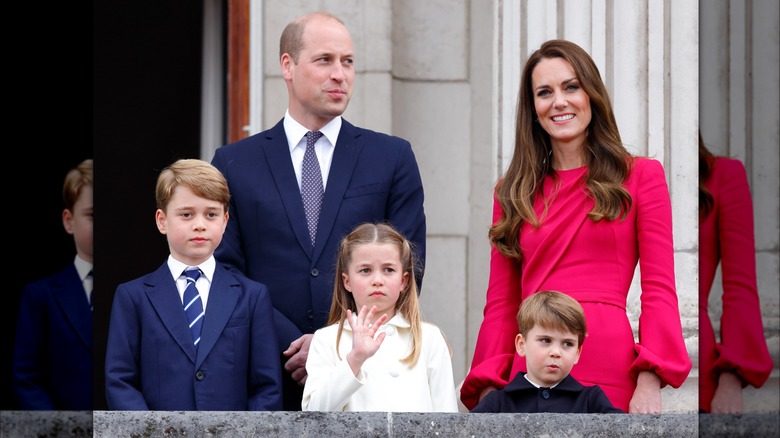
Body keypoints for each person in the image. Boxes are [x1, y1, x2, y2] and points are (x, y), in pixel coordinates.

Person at [460, 39, 691, 414]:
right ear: (533, 109)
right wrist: (489, 385)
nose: (559, 102)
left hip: (609, 365)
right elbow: (501, 303)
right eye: (544, 92)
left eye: (571, 87)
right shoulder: (512, 192)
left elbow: (659, 288)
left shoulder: (641, 176)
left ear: (592, 95)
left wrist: (650, 378)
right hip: (532, 368)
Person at [211, 11, 426, 410]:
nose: (340, 74)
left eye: (348, 61)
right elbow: (223, 271)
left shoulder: (391, 157)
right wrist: (288, 342)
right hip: (263, 374)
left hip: (366, 377)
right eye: (325, 60)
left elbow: (409, 265)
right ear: (287, 66)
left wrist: (332, 345)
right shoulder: (234, 162)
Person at [104, 159, 282, 410]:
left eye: (211, 214)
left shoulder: (252, 296)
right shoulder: (132, 297)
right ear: (162, 220)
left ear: (225, 220)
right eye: (186, 214)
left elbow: (266, 387)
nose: (200, 224)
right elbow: (120, 380)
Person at [301, 222, 457, 412]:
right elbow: (313, 414)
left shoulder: (430, 338)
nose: (377, 280)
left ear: (404, 281)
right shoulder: (326, 340)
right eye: (365, 270)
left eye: (388, 270)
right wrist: (355, 359)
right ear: (347, 281)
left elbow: (447, 419)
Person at [698, 134, 773, 413]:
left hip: (700, 368)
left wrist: (731, 376)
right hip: (624, 357)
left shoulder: (723, 175)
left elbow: (740, 286)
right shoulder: (622, 175)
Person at [11, 159, 93, 410]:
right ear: (69, 221)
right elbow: (26, 377)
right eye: (92, 215)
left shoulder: (137, 290)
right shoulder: (40, 296)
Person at [471, 291, 623, 413]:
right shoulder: (498, 402)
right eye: (545, 340)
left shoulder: (591, 400)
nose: (556, 352)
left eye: (567, 344)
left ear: (577, 353)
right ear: (521, 344)